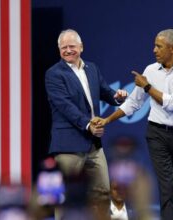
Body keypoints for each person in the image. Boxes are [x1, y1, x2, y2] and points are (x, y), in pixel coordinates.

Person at [92, 29, 173, 220]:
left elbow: (172, 103)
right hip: (156, 134)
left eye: (159, 46)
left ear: (172, 48)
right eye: (154, 45)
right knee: (167, 187)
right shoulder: (150, 70)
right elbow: (133, 103)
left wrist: (147, 86)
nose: (154, 50)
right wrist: (108, 119)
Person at [44, 29, 128, 210]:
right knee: (69, 198)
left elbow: (106, 92)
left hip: (94, 145)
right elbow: (65, 106)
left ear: (81, 47)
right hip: (68, 147)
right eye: (63, 47)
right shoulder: (54, 74)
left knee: (103, 194)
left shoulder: (92, 68)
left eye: (71, 46)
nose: (67, 50)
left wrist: (118, 97)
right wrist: (89, 124)